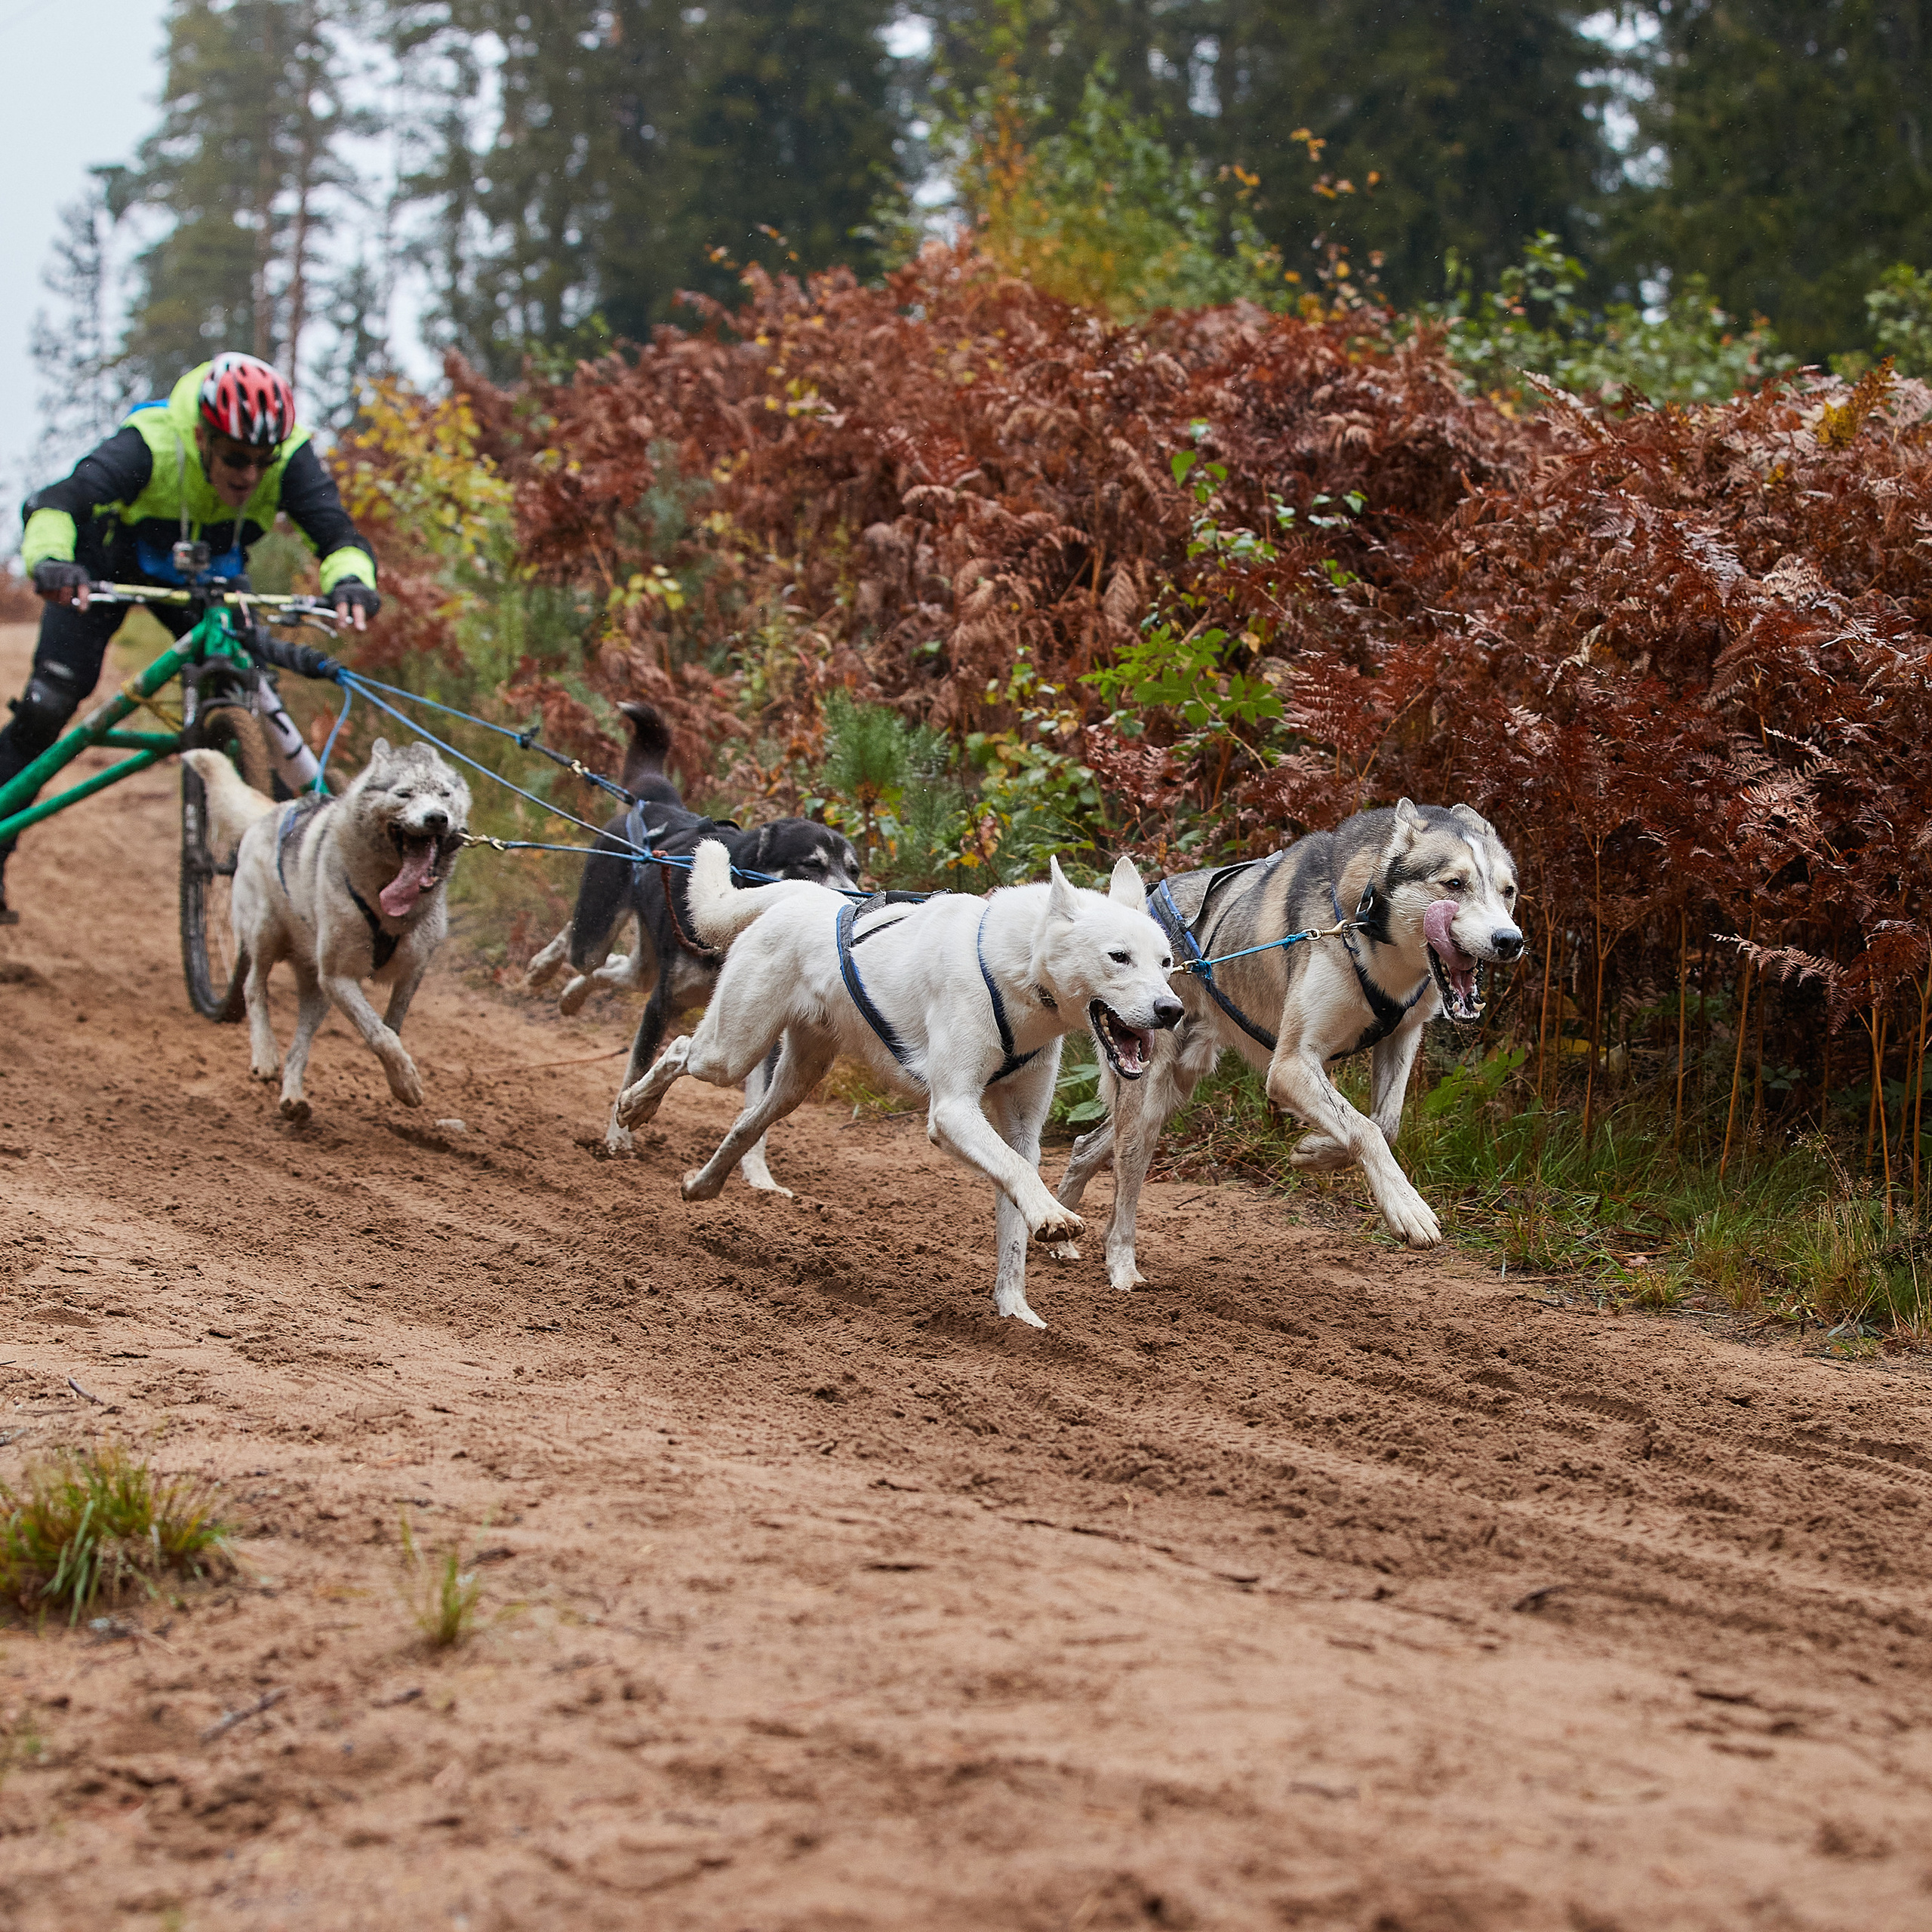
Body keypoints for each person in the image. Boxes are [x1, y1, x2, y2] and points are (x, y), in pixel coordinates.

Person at [0, 352, 380, 924]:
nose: (249, 475)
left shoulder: (290, 458)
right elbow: (55, 502)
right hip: (105, 566)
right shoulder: (150, 444)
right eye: (234, 457)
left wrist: (351, 581)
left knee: (261, 701)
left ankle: (302, 886)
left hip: (209, 575)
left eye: (261, 461)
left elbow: (339, 537)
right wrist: (53, 562)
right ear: (203, 435)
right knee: (49, 704)